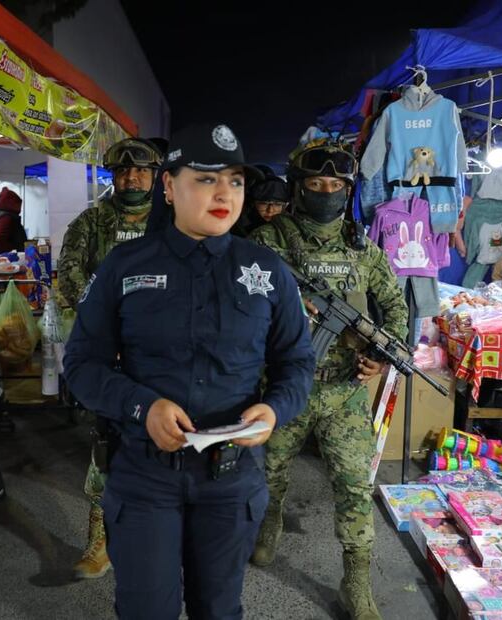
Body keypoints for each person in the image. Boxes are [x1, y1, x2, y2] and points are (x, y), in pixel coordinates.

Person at [63, 122, 315, 619]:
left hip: (230, 481)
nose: (225, 192)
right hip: (144, 476)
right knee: (146, 610)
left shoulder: (267, 271)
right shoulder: (124, 265)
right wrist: (143, 406)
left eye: (235, 180)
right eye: (205, 179)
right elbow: (81, 364)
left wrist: (273, 408)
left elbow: (297, 363)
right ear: (169, 187)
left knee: (217, 610)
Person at [248, 138, 408, 620]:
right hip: (283, 388)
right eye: (315, 184)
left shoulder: (363, 248)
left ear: (347, 189)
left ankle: (356, 584)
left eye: (335, 185)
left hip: (343, 393)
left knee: (355, 486)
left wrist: (381, 357)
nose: (325, 192)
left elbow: (396, 308)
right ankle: (268, 525)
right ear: (299, 187)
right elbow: (239, 310)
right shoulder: (267, 242)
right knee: (270, 473)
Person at [56, 136, 165, 579]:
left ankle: (161, 541)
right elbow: (69, 277)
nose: (131, 177)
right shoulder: (92, 222)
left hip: (164, 357)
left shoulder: (172, 222)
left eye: (140, 171)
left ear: (156, 176)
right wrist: (100, 332)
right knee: (106, 446)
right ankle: (98, 543)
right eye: (122, 171)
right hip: (114, 356)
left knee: (169, 445)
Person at [231, 165, 289, 237]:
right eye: (264, 204)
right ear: (253, 203)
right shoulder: (237, 223)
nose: (270, 210)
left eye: (277, 204)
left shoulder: (290, 225)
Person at [0, 187, 27, 254]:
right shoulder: (6, 217)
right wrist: (11, 253)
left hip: (3, 259)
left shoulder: (1, 215)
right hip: (8, 261)